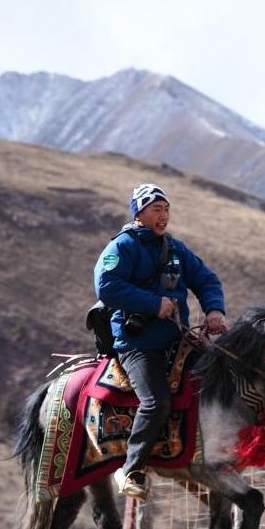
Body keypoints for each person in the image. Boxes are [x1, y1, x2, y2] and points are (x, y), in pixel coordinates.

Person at [94, 183, 228, 499]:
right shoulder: (122, 247)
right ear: (139, 213)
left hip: (176, 339)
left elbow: (206, 279)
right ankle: (131, 470)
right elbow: (106, 286)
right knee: (156, 402)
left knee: (220, 378)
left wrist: (214, 309)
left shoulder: (177, 249)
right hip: (137, 343)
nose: (163, 215)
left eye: (166, 209)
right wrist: (154, 304)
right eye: (156, 209)